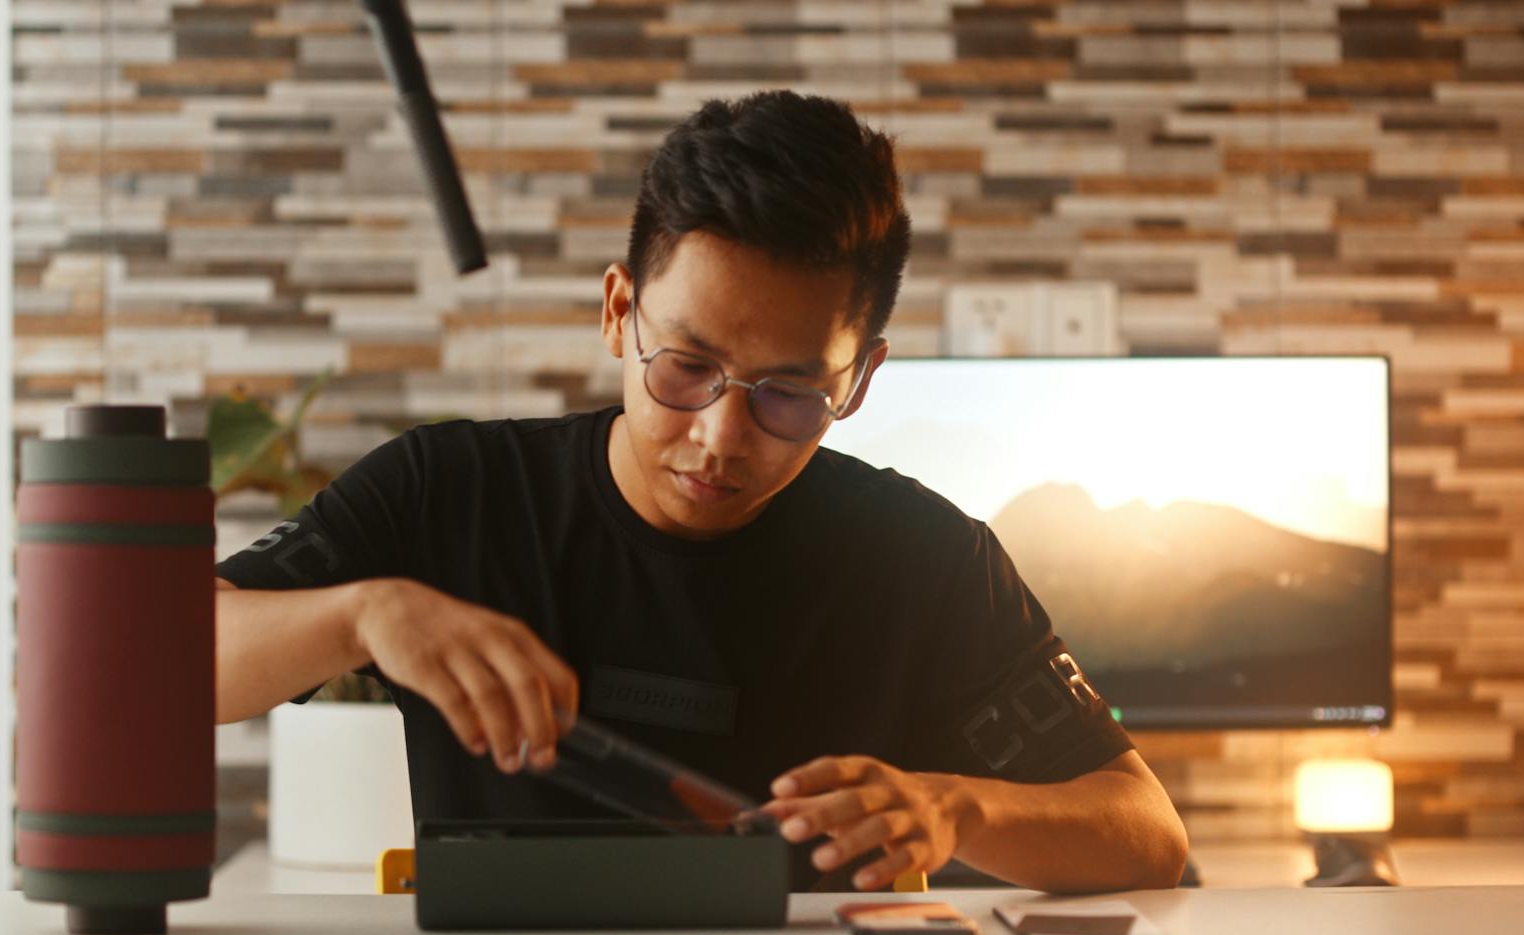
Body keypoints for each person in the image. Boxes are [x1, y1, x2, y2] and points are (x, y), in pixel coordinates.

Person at [214, 90, 1187, 894]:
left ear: (858, 382)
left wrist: (954, 807)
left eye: (789, 395)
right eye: (685, 367)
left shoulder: (927, 559)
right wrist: (362, 615)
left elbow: (1144, 829)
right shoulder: (448, 492)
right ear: (617, 312)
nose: (720, 438)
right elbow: (163, 669)